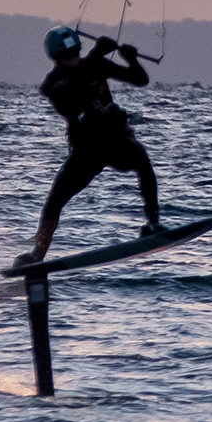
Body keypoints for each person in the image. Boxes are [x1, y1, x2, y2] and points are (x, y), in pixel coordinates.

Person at [23, 26, 160, 262]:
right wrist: (96, 54)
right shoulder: (53, 83)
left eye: (76, 53)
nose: (74, 60)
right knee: (54, 202)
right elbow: (69, 87)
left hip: (114, 140)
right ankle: (38, 253)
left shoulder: (96, 65)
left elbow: (140, 80)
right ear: (57, 59)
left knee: (141, 159)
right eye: (67, 57)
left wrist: (131, 59)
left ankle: (154, 223)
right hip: (86, 151)